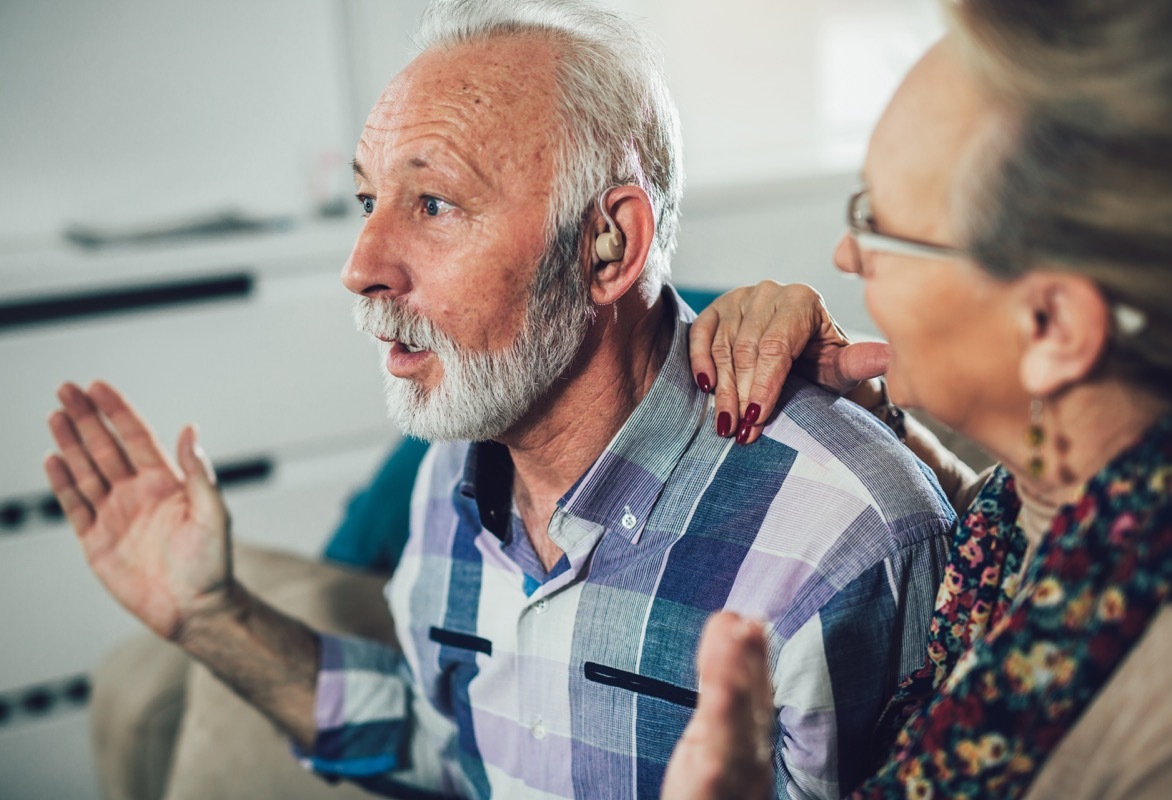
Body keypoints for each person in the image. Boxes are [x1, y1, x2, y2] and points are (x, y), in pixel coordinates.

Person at [42, 1, 954, 798]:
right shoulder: (446, 480)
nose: (360, 267)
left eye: (433, 204)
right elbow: (449, 750)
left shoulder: (848, 543)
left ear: (607, 244)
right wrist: (210, 615)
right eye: (367, 200)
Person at [664, 0, 1172, 798]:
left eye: (878, 225)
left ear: (1050, 326)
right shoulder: (1095, 497)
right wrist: (876, 418)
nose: (847, 255)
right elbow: (1021, 510)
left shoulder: (1169, 741)